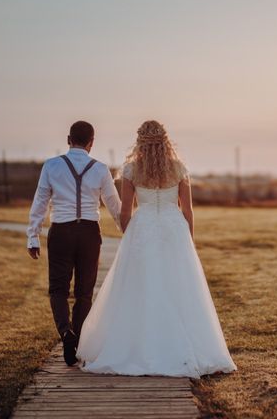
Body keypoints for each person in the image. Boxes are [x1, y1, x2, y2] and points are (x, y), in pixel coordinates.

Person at [76, 120, 237, 378]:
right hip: (174, 230)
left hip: (144, 228)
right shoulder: (179, 169)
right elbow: (188, 211)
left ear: (140, 142)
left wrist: (131, 236)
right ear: (165, 141)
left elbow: (125, 212)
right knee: (179, 286)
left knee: (141, 287)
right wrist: (189, 240)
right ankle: (183, 347)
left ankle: (141, 346)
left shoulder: (131, 170)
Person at [26, 120, 121, 366]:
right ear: (91, 142)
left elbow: (40, 202)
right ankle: (77, 340)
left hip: (61, 231)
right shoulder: (100, 169)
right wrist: (127, 230)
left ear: (68, 139)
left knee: (58, 288)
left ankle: (65, 332)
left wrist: (33, 235)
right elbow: (114, 205)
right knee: (84, 291)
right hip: (89, 232)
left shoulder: (51, 166)